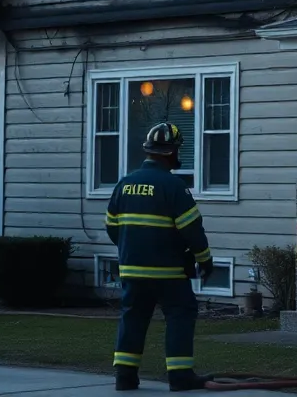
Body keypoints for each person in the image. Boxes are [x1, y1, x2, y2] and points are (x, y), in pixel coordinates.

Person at [106, 122, 214, 392]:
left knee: (133, 316)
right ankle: (180, 376)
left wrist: (132, 249)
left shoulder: (124, 184)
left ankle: (125, 377)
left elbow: (111, 227)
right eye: (177, 150)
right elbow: (192, 231)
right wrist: (205, 260)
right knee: (180, 313)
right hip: (169, 272)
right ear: (170, 152)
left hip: (132, 269)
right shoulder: (173, 186)